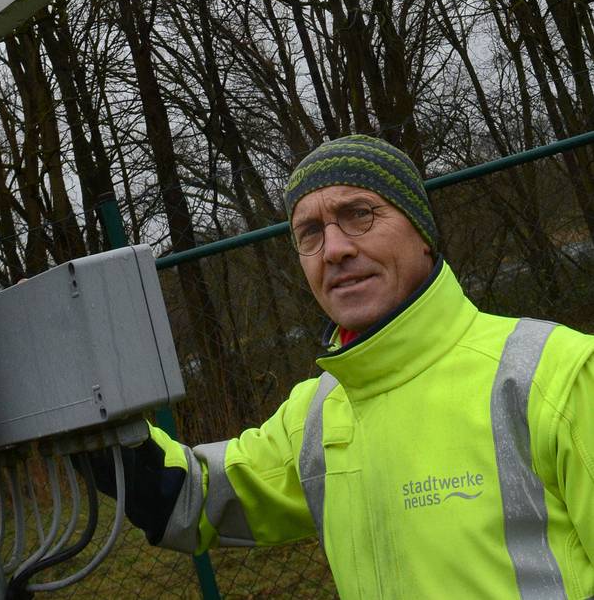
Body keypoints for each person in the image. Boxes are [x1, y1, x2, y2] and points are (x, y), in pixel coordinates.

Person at [96, 134, 594, 599]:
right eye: (310, 232)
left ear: (423, 234)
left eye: (359, 214)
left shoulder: (557, 374)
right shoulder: (315, 414)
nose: (334, 249)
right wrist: (87, 417)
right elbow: (189, 498)